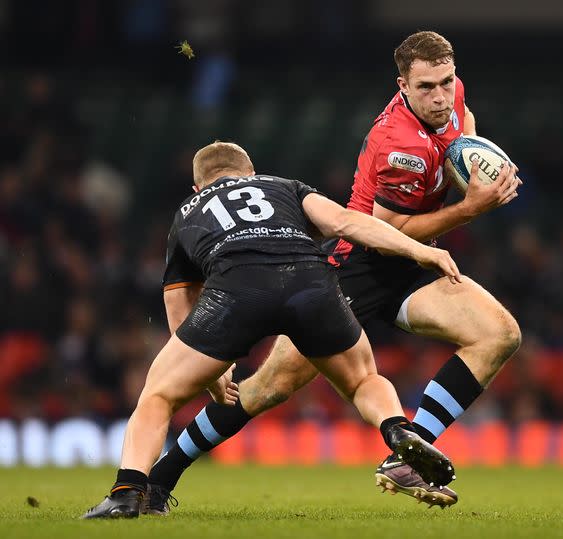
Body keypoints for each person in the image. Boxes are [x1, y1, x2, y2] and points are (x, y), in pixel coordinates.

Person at [145, 30, 522, 512]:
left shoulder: (452, 96)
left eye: (446, 82)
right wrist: (471, 206)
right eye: (426, 87)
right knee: (266, 388)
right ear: (402, 85)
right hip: (357, 264)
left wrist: (466, 157)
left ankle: (406, 458)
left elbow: (462, 125)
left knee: (499, 334)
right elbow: (389, 226)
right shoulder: (396, 144)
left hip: (409, 262)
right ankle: (162, 476)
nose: (440, 96)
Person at [81, 141, 463, 519]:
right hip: (311, 282)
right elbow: (347, 222)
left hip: (237, 289)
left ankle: (127, 493)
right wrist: (421, 251)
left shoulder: (188, 210)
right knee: (363, 378)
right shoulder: (283, 186)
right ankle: (397, 429)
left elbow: (179, 304)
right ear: (251, 173)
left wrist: (213, 375)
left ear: (198, 187)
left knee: (159, 394)